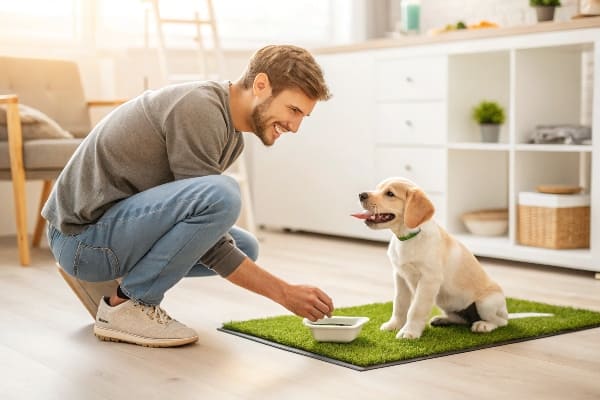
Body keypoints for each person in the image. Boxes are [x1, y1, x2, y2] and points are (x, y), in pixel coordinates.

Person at [42, 44, 334, 348]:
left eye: (304, 116)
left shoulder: (230, 136)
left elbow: (201, 228)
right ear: (261, 85)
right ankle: (128, 305)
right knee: (223, 194)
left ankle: (114, 286)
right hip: (81, 240)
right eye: (294, 110)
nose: (295, 126)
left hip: (100, 231)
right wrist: (285, 293)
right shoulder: (201, 108)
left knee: (245, 246)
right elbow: (209, 229)